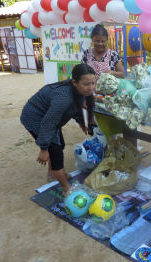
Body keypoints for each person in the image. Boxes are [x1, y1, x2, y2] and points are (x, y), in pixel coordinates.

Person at [20, 64, 96, 194]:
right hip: (35, 117)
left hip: (49, 118)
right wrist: (43, 148)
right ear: (75, 82)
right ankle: (66, 188)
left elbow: (74, 110)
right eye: (86, 84)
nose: (91, 88)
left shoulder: (80, 91)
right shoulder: (64, 98)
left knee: (59, 145)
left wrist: (85, 124)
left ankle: (52, 173)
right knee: (56, 153)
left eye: (93, 83)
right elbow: (48, 123)